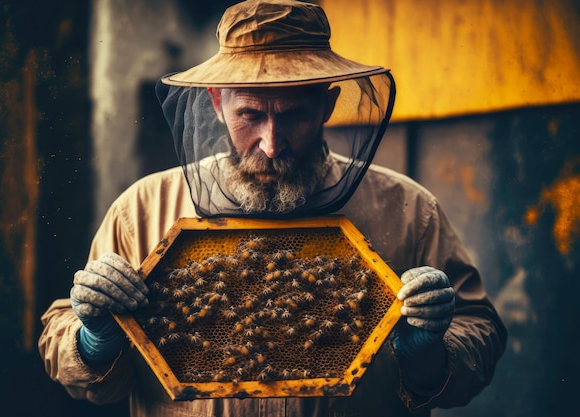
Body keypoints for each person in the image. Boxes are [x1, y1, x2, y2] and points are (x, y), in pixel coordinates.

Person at [38, 1, 507, 416]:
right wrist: (93, 338)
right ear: (218, 103)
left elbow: (478, 334)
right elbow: (72, 361)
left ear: (326, 105)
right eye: (250, 115)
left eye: (292, 116)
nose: (271, 142)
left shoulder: (408, 209)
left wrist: (432, 352)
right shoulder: (142, 208)